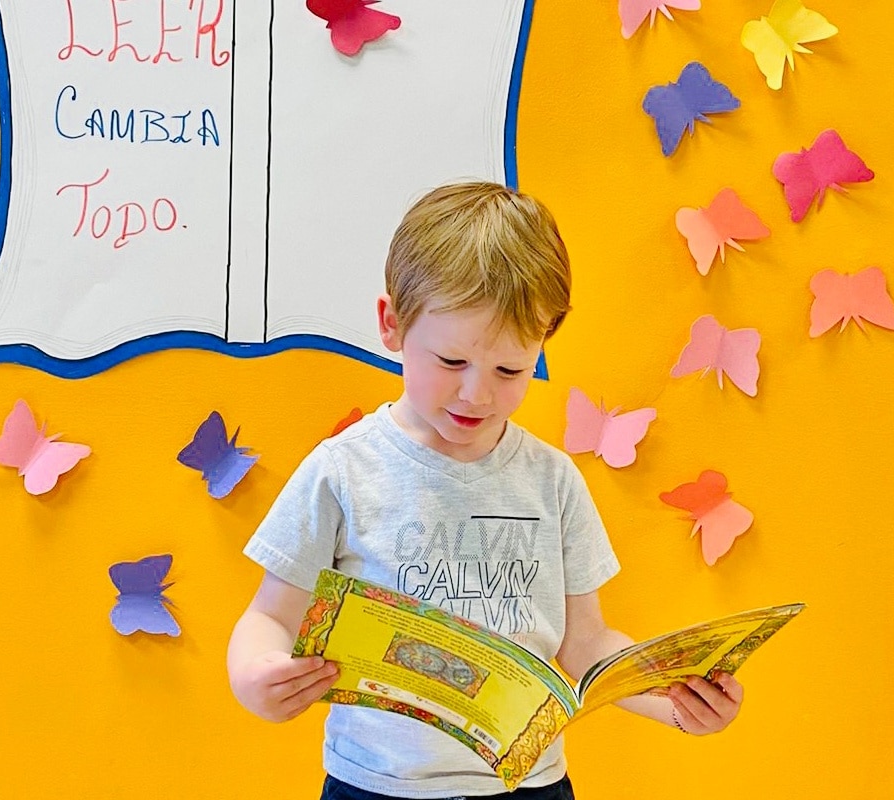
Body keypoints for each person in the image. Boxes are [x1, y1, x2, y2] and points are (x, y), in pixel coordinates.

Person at [227, 182, 745, 800]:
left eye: (509, 370)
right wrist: (256, 675)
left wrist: (676, 700)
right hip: (379, 787)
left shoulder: (552, 481)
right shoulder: (344, 470)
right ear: (392, 324)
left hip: (529, 786)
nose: (477, 393)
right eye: (450, 362)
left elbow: (585, 644)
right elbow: (269, 616)